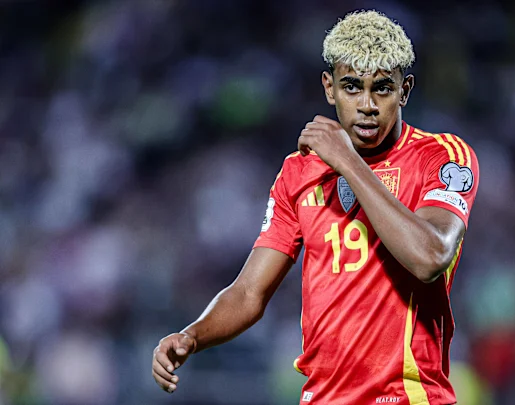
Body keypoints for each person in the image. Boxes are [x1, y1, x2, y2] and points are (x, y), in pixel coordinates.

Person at [152, 9, 479, 405]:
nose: (367, 105)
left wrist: (347, 161)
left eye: (382, 89)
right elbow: (249, 292)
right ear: (329, 87)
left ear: (405, 90)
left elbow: (430, 256)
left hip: (408, 397)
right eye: (352, 87)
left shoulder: (441, 156)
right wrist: (192, 335)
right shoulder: (299, 172)